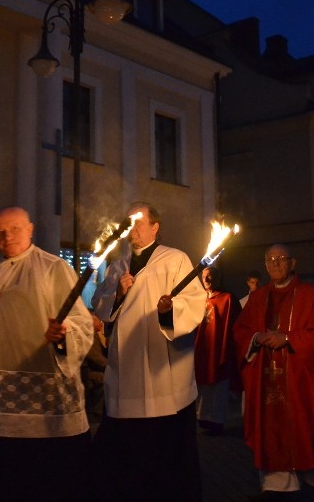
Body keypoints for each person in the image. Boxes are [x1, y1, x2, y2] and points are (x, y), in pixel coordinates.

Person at [0, 206, 93, 502]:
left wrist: (63, 334)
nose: (6, 236)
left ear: (30, 229)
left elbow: (80, 323)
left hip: (41, 394)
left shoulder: (53, 268)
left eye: (14, 229)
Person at [90, 202, 207, 501]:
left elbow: (195, 302)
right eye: (130, 223)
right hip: (126, 367)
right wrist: (117, 294)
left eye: (140, 222)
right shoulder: (118, 265)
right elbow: (102, 307)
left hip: (162, 369)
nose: (134, 229)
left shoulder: (176, 259)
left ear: (155, 226)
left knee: (163, 448)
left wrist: (169, 311)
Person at [234, 244, 314, 501]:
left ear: (293, 263)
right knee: (270, 432)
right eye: (269, 260)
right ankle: (276, 485)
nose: (275, 264)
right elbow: (241, 332)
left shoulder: (312, 295)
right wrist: (257, 337)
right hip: (265, 380)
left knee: (307, 429)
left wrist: (288, 338)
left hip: (300, 380)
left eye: (280, 259)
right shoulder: (258, 298)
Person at [195, 265, 241, 435]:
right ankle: (203, 419)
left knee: (218, 387)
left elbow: (236, 326)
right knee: (202, 387)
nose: (206, 280)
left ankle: (216, 421)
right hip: (202, 350)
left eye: (210, 276)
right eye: (204, 276)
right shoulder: (198, 299)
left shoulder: (227, 299)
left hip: (219, 349)